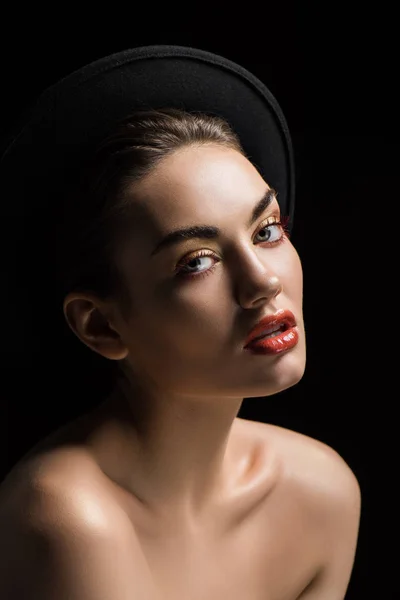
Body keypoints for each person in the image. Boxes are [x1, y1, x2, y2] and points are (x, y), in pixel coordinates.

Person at [0, 46, 361, 599]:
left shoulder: (320, 491)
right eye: (197, 261)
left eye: (266, 230)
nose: (263, 281)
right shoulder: (68, 519)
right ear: (101, 326)